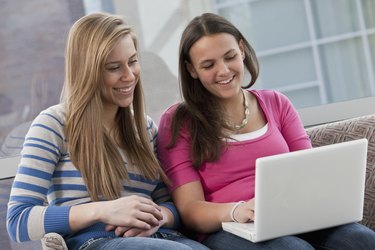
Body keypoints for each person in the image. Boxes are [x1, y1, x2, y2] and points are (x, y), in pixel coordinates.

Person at [157, 12, 375, 250]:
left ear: (241, 49)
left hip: (293, 217)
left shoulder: (276, 103)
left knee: (361, 239)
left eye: (229, 57)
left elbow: (309, 172)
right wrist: (237, 210)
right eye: (208, 65)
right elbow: (190, 210)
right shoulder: (179, 122)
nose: (223, 71)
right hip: (228, 226)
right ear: (191, 69)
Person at [6, 12, 208, 250]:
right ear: (87, 71)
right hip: (96, 240)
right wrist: (105, 210)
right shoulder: (53, 125)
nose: (129, 75)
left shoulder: (144, 128)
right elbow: (18, 221)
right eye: (114, 67)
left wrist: (159, 217)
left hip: (160, 237)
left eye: (132, 61)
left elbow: (169, 204)